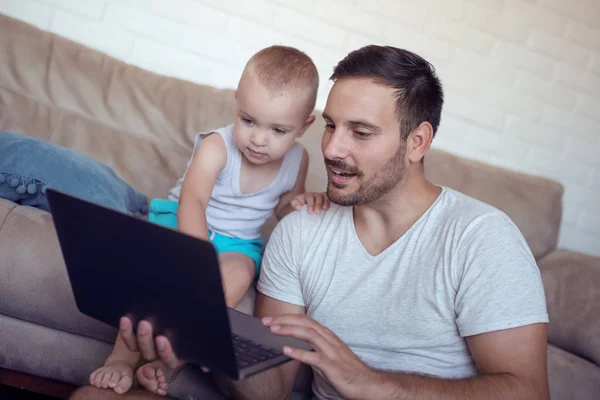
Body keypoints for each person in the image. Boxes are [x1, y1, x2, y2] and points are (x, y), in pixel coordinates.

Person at [72, 45, 550, 400]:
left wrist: (375, 384)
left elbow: (528, 391)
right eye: (330, 126)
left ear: (417, 142)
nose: (332, 149)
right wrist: (204, 334)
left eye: (360, 132)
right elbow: (272, 388)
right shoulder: (300, 233)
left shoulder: (480, 237)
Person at [86, 45, 329, 396]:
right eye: (248, 120)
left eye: (278, 130)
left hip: (237, 242)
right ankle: (120, 359)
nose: (258, 139)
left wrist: (299, 204)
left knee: (239, 273)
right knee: (154, 275)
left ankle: (173, 358)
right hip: (184, 221)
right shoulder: (218, 145)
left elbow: (283, 207)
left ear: (304, 126)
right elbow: (193, 199)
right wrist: (196, 254)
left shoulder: (297, 161)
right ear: (237, 101)